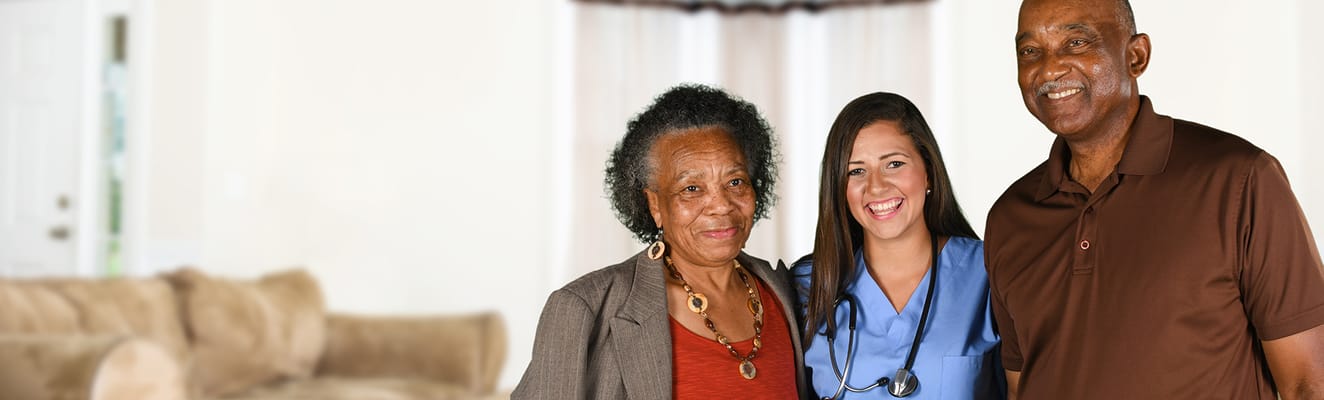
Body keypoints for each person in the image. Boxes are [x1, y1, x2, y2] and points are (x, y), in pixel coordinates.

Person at [985, 0, 1324, 398]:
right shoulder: (1010, 217)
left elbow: (1309, 382)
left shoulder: (1239, 179)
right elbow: (1021, 384)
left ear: (1136, 55)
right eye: (1029, 51)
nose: (1049, 68)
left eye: (1076, 42)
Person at [512, 84, 806, 399]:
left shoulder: (785, 292)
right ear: (655, 205)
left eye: (735, 182)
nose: (721, 205)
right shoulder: (584, 308)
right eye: (691, 188)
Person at [792, 92, 1003, 399]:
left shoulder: (987, 273)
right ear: (839, 186)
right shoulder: (807, 288)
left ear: (928, 171)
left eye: (894, 164)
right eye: (856, 171)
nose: (876, 186)